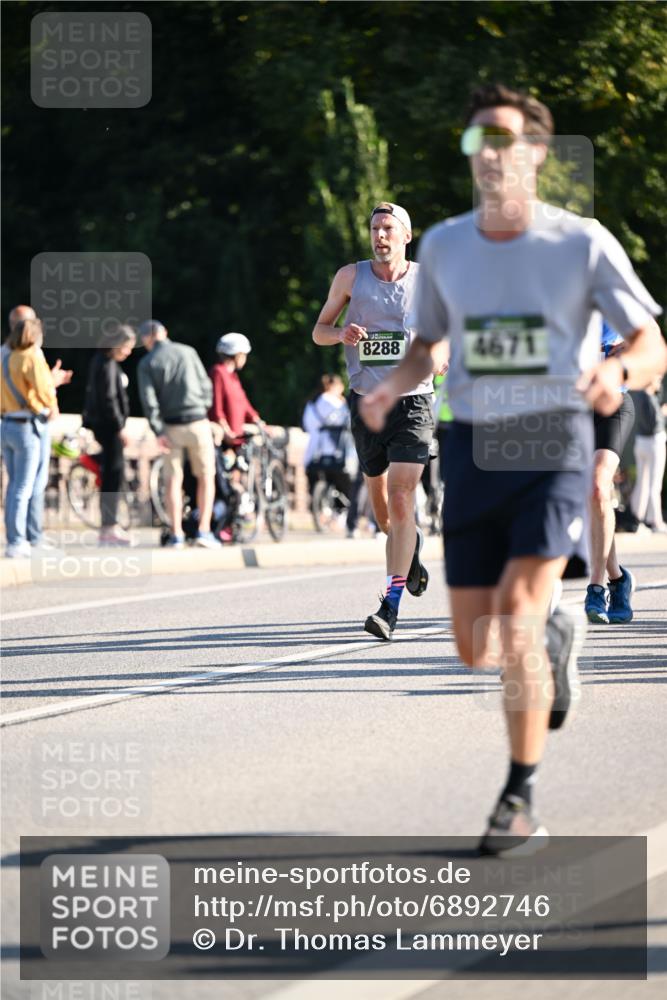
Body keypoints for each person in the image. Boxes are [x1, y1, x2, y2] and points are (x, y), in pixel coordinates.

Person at [360, 83, 666, 854]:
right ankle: (556, 634)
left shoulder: (580, 242)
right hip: (470, 445)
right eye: (477, 140)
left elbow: (649, 344)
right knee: (475, 644)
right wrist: (393, 385)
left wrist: (615, 373)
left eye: (504, 139)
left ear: (534, 152)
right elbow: (428, 345)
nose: (490, 154)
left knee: (521, 613)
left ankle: (517, 799)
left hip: (553, 441)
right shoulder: (446, 246)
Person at [312, 201, 446, 640]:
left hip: (414, 402)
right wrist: (341, 333)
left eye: (388, 228)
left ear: (407, 235)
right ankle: (411, 548)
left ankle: (390, 605)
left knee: (402, 496)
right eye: (374, 229)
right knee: (386, 514)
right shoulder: (350, 277)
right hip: (367, 403)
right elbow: (319, 330)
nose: (380, 235)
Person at [137, 319, 217, 549]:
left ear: (146, 339)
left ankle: (176, 534)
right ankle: (204, 531)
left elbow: (149, 401)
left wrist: (158, 430)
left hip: (171, 426)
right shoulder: (188, 351)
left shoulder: (147, 363)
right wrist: (203, 406)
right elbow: (206, 385)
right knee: (206, 477)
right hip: (198, 422)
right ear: (165, 332)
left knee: (173, 480)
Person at [3, 305, 72, 550]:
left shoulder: (5, 354)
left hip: (7, 423)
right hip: (29, 425)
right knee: (28, 485)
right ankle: (21, 539)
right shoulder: (31, 355)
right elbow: (43, 391)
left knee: (15, 485)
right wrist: (53, 390)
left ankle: (20, 537)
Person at [584, 321, 636, 624]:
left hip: (613, 403)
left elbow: (651, 342)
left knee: (598, 485)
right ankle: (617, 578)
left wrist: (627, 351)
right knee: (594, 499)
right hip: (573, 409)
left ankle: (596, 588)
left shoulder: (612, 299)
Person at [81, 325, 136, 546]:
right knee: (113, 474)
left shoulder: (102, 361)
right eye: (126, 347)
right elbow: (109, 399)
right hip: (109, 426)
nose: (128, 352)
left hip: (104, 425)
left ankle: (109, 526)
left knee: (112, 472)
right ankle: (109, 526)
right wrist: (120, 426)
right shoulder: (106, 364)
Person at [302, 373, 352, 504]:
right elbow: (348, 420)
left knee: (316, 491)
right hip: (335, 453)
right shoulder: (335, 402)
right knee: (341, 490)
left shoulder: (312, 403)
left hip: (313, 454)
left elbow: (307, 425)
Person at [631, 375, 666, 532]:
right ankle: (655, 521)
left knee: (642, 483)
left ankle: (637, 520)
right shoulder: (648, 396)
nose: (659, 383)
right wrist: (663, 413)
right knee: (654, 484)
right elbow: (654, 422)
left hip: (640, 442)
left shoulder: (638, 395)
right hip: (653, 442)